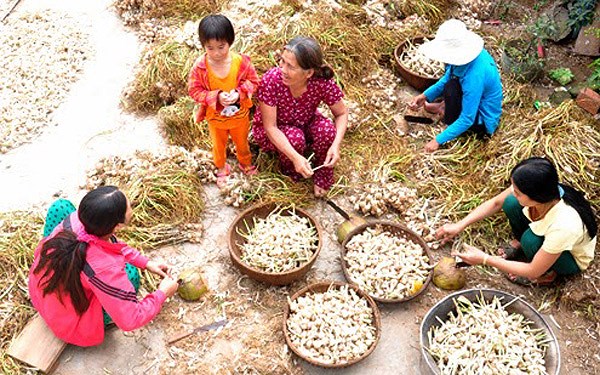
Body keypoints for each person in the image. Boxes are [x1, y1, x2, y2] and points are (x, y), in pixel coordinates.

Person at [29, 186, 179, 346]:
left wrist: (147, 263)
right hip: (70, 323)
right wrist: (162, 293)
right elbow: (130, 320)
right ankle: (94, 323)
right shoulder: (104, 268)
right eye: (129, 207)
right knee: (131, 274)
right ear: (117, 227)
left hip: (40, 291)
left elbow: (110, 244)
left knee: (61, 206)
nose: (130, 206)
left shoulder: (77, 220)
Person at [437, 157, 597, 286]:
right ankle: (521, 243)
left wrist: (485, 259)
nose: (513, 191)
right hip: (549, 231)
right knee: (510, 202)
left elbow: (532, 269)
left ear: (535, 196)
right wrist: (459, 225)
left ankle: (548, 275)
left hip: (569, 258)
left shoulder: (565, 225)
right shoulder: (545, 190)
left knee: (530, 240)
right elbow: (495, 203)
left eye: (518, 191)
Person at [252, 36, 349, 197]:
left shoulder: (321, 82)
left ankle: (322, 170)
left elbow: (341, 113)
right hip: (277, 128)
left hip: (305, 121)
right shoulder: (272, 80)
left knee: (327, 132)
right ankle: (292, 171)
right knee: (295, 139)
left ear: (309, 72)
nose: (282, 69)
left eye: (290, 66)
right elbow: (270, 127)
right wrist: (295, 157)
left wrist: (336, 145)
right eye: (282, 61)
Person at [408, 19, 502, 152]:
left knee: (451, 90)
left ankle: (446, 113)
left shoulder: (474, 76)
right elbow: (448, 77)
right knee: (450, 86)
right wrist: (425, 95)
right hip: (473, 97)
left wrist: (438, 140)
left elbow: (467, 119)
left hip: (482, 120)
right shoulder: (464, 61)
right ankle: (442, 106)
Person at [188, 14, 260, 188]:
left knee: (242, 143)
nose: (216, 53)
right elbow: (194, 90)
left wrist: (240, 93)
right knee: (218, 146)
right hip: (215, 119)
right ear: (203, 45)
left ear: (230, 42)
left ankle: (245, 163)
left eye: (221, 47)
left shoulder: (241, 62)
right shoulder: (200, 67)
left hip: (240, 116)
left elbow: (255, 82)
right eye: (210, 48)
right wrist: (216, 97)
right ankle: (221, 167)